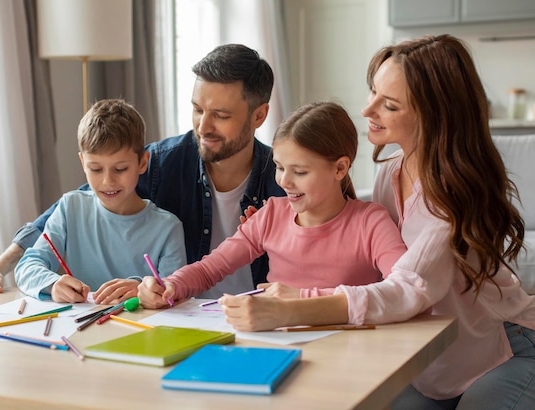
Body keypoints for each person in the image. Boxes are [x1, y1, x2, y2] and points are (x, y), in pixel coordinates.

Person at [216, 35, 535, 409]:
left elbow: (407, 288)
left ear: (433, 114)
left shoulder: (454, 193)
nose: (367, 111)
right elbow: (366, 245)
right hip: (434, 359)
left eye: (389, 105)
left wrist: (293, 306)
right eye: (372, 93)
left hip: (504, 345)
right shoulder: (391, 173)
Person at [0, 44, 284, 298]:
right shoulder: (163, 161)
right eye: (197, 109)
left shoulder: (283, 180)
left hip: (260, 320)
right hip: (181, 316)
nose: (203, 126)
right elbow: (72, 205)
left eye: (220, 115)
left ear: (259, 115)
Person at [138, 101, 407, 308]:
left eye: (300, 172)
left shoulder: (371, 222)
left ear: (339, 169)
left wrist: (301, 298)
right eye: (279, 167)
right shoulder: (271, 214)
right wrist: (169, 286)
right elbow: (211, 269)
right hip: (280, 346)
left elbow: (401, 290)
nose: (285, 181)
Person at [14, 99, 186, 304]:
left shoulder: (168, 227)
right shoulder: (71, 208)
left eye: (120, 169)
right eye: (95, 169)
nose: (108, 181)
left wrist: (143, 291)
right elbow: (27, 266)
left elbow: (173, 293)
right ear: (83, 163)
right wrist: (53, 284)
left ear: (143, 163)